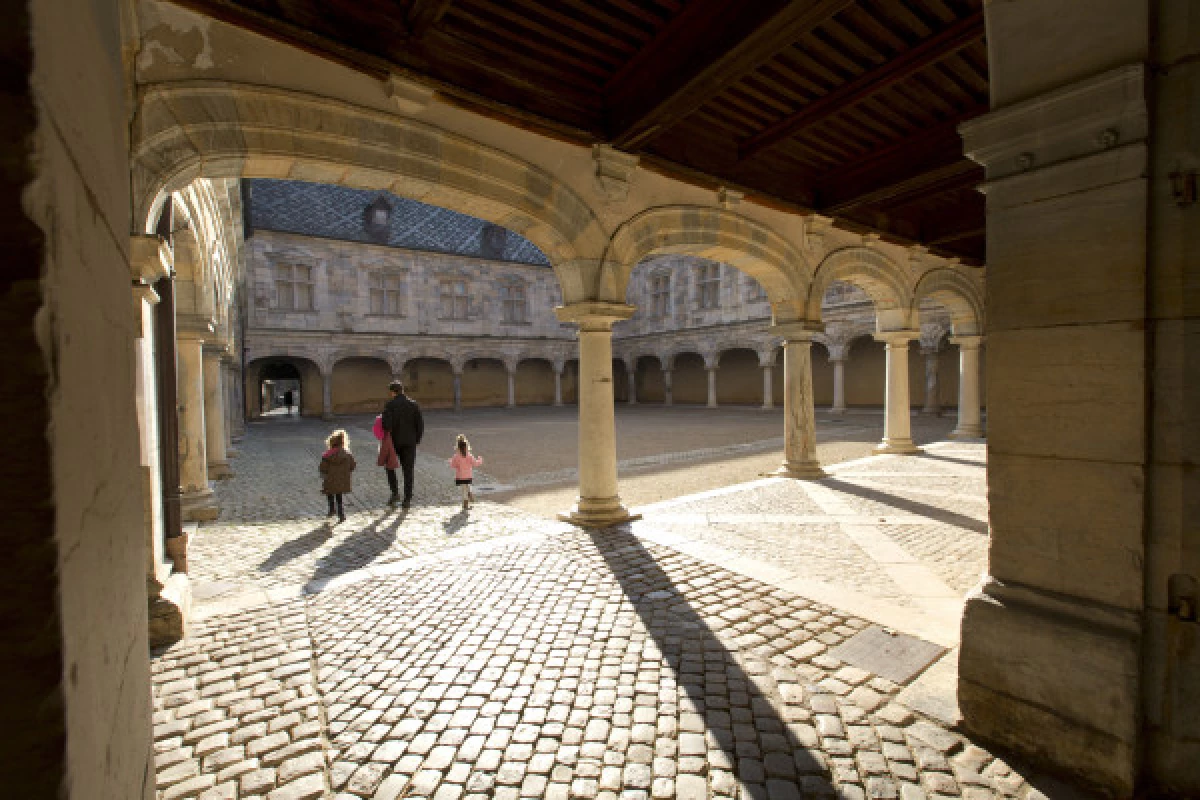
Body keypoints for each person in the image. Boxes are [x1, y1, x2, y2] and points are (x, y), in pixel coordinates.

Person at [380, 380, 423, 508]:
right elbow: (420, 425)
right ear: (402, 390)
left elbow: (386, 425)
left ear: (392, 392)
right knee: (408, 470)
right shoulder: (413, 405)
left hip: (393, 442)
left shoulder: (390, 405)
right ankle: (407, 499)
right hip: (409, 442)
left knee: (390, 467)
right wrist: (416, 440)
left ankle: (395, 493)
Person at [319, 429, 355, 523]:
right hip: (342, 480)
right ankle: (341, 513)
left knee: (329, 492)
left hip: (330, 479)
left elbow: (323, 468)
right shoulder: (347, 454)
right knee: (339, 495)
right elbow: (353, 465)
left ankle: (331, 509)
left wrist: (324, 474)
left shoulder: (327, 455)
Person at [448, 435, 483, 510]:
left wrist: (450, 461)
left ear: (458, 447)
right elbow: (475, 463)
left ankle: (465, 502)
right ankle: (470, 493)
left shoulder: (456, 456)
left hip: (460, 475)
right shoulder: (469, 455)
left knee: (464, 489)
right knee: (468, 485)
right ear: (467, 446)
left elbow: (453, 465)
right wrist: (480, 460)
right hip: (468, 475)